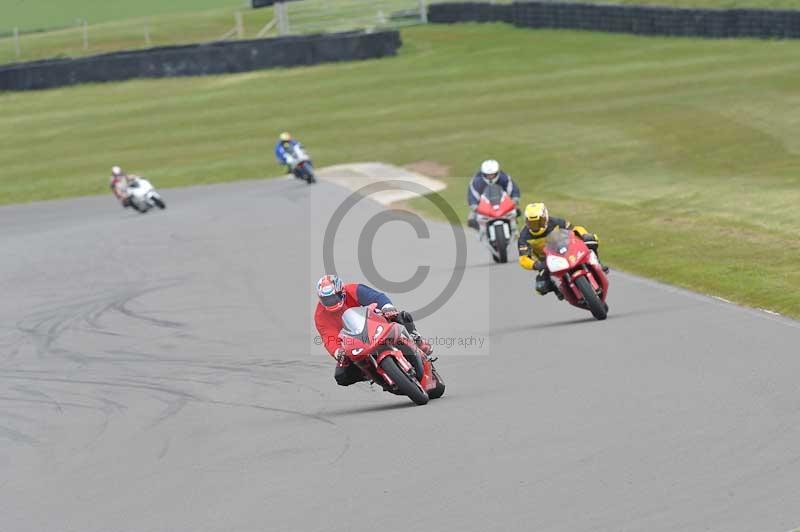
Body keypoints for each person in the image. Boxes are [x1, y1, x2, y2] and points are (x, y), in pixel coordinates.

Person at [313, 274, 434, 387]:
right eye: (327, 300)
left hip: (375, 323)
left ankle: (417, 340)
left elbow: (376, 297)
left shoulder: (353, 289)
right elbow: (328, 337)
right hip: (353, 341)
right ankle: (369, 373)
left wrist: (387, 307)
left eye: (334, 298)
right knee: (341, 376)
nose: (331, 302)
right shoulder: (320, 315)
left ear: (342, 292)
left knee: (401, 316)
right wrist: (337, 352)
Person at [517, 202, 606, 299]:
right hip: (546, 261)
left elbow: (575, 228)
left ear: (546, 217)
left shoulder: (555, 221)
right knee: (541, 287)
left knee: (591, 241)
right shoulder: (524, 236)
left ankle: (598, 263)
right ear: (526, 222)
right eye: (532, 223)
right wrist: (536, 265)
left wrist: (584, 235)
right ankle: (557, 290)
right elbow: (523, 258)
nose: (536, 226)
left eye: (539, 222)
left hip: (565, 248)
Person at [467, 159, 521, 230]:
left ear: (497, 173)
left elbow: (512, 189)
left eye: (492, 174)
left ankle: (514, 229)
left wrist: (515, 198)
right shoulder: (477, 181)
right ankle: (482, 232)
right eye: (488, 175)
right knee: (471, 219)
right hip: (484, 206)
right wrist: (474, 205)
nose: (490, 177)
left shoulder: (504, 178)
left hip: (502, 204)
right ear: (483, 174)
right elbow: (473, 194)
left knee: (517, 211)